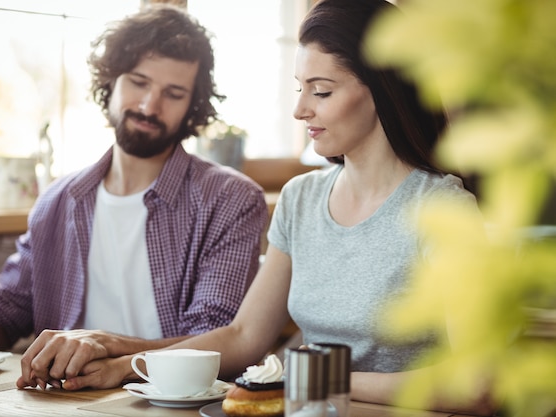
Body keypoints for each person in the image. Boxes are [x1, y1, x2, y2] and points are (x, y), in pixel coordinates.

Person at [57, 0, 498, 413]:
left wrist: (315, 378)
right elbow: (244, 336)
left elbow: (478, 384)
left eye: (320, 91)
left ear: (382, 89)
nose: (300, 109)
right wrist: (127, 364)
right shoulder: (299, 199)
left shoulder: (443, 209)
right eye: (300, 88)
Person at [0, 4, 268, 391]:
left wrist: (114, 354)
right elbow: (7, 313)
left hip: (171, 405)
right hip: (65, 403)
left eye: (173, 94)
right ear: (111, 81)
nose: (148, 106)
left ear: (193, 106)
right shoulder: (57, 200)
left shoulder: (231, 200)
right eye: (138, 82)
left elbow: (217, 341)